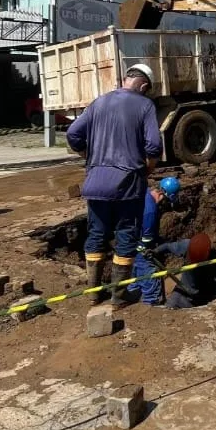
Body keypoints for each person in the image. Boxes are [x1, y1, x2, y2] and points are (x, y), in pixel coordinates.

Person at [66, 63, 162, 307]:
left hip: (95, 183)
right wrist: (148, 169)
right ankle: (119, 296)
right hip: (128, 185)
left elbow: (73, 134)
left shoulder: (99, 102)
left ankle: (93, 294)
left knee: (96, 234)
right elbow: (153, 146)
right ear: (143, 85)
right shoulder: (145, 105)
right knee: (126, 236)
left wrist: (87, 155)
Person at [127, 176, 181, 306]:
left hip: (130, 238)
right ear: (164, 195)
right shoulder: (150, 211)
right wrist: (147, 249)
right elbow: (147, 237)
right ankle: (152, 302)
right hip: (140, 243)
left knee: (135, 270)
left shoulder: (145, 192)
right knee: (147, 268)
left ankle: (132, 296)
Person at [160, 232, 216, 309]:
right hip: (181, 293)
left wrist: (210, 293)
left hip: (202, 297)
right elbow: (167, 246)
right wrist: (155, 251)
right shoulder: (186, 245)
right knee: (169, 309)